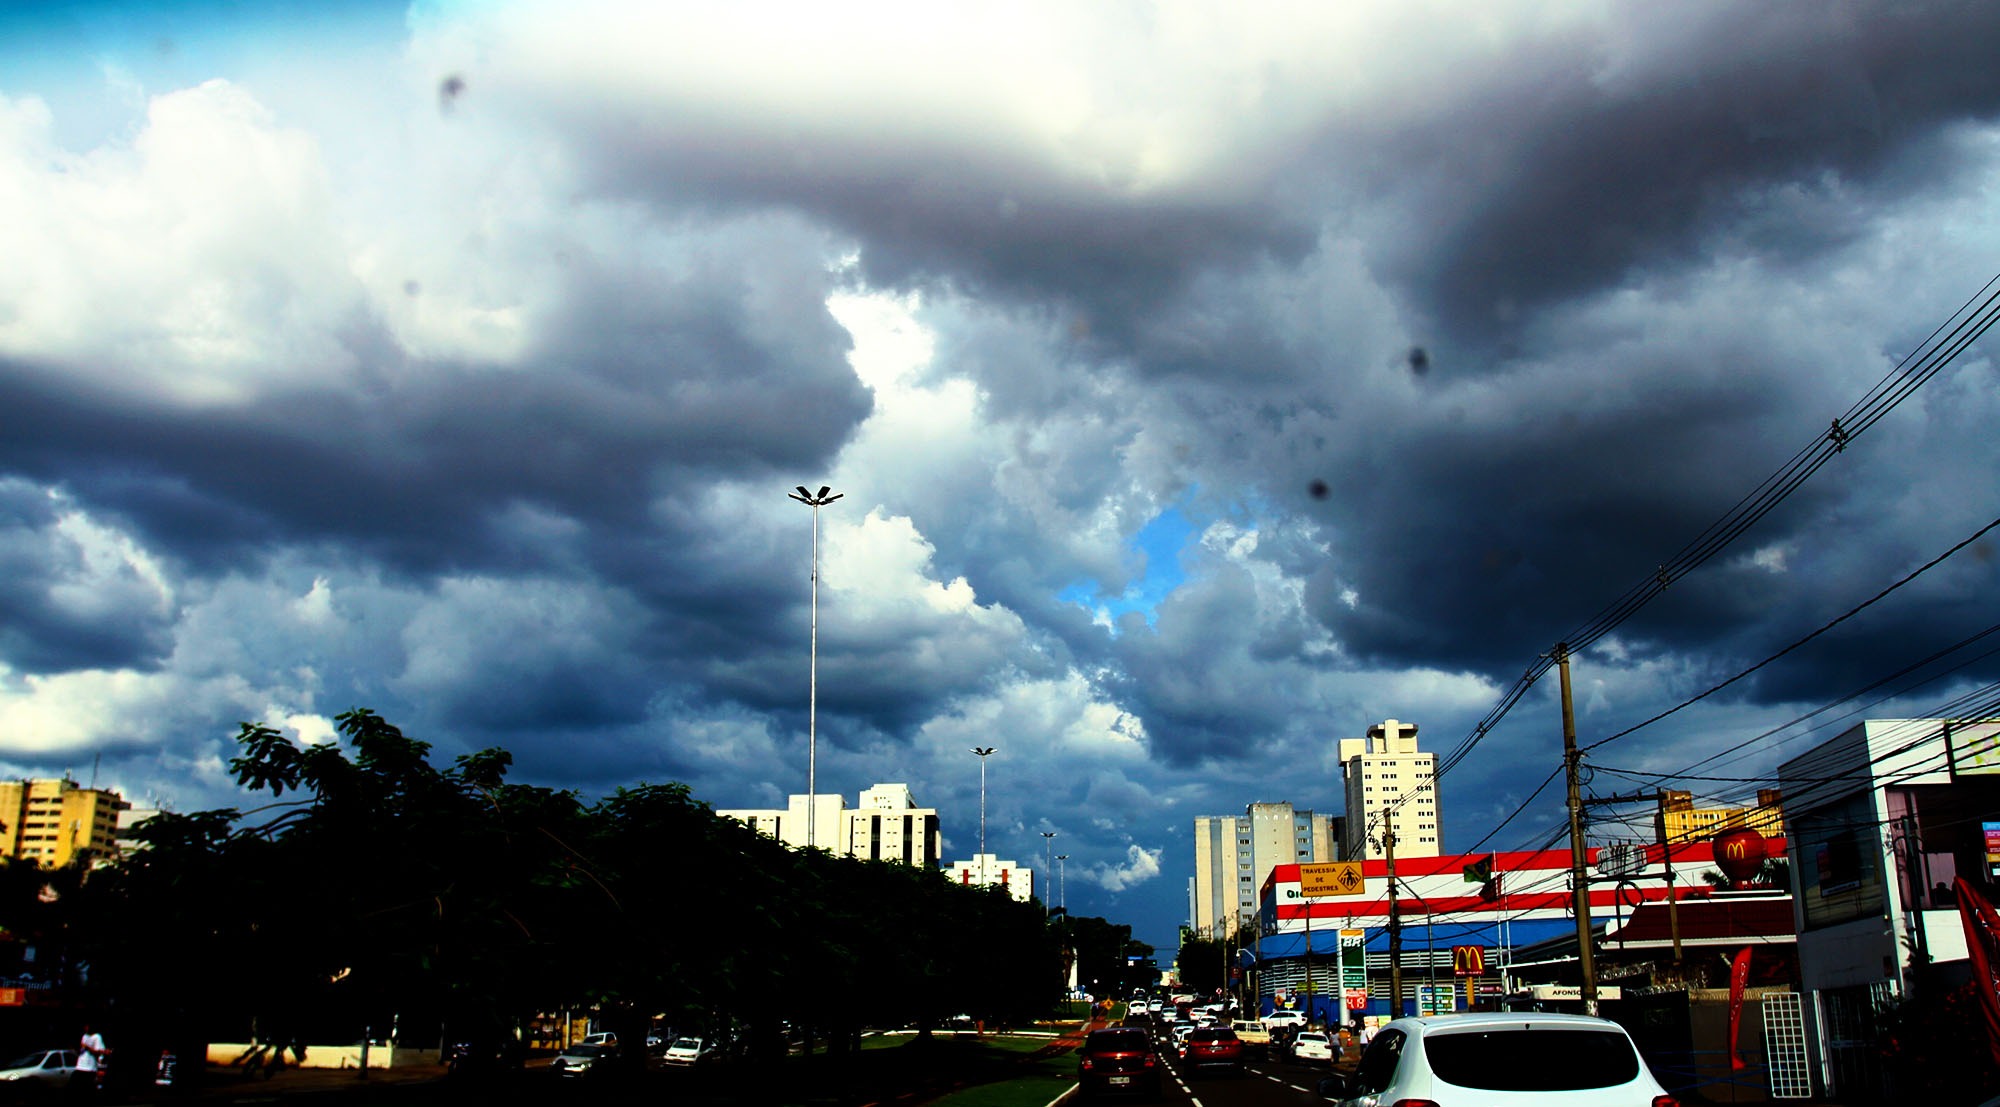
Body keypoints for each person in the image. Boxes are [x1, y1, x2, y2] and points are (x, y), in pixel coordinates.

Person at [75, 1024, 108, 1094]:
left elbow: (98, 1052)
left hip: (89, 1068)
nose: (86, 1028)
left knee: (88, 1088)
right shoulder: (84, 1036)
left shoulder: (97, 1037)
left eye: (87, 1026)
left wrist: (87, 1047)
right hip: (80, 1066)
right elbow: (81, 1051)